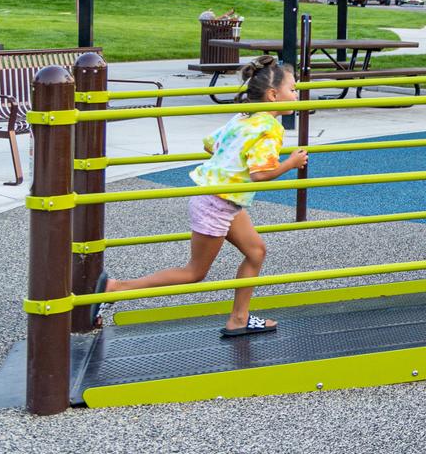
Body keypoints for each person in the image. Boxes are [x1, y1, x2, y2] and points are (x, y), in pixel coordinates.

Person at [98, 56, 307, 336]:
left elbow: (210, 144)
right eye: (292, 89)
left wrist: (230, 158)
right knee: (194, 273)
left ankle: (239, 319)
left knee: (256, 251)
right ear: (273, 95)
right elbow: (260, 173)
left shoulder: (243, 117)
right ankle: (116, 289)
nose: (297, 94)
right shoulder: (270, 129)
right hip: (217, 203)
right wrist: (290, 163)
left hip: (221, 198)